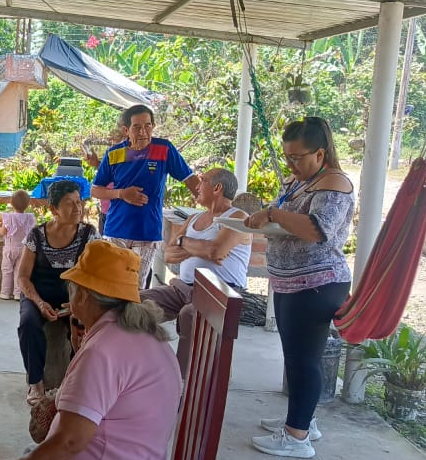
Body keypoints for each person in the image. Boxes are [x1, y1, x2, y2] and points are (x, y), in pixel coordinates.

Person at [0, 240, 181, 460]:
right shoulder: (143, 334)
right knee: (30, 456)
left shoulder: (103, 350)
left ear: (83, 296)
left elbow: (71, 442)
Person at [245, 117, 355, 459]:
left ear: (320, 153)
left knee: (305, 360)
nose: (291, 164)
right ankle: (303, 419)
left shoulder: (334, 183)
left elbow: (317, 229)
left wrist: (272, 214)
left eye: (297, 157)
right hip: (290, 282)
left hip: (317, 284)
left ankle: (297, 438)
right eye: (287, 157)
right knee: (293, 358)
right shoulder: (300, 181)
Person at [141, 167, 250, 374]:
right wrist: (200, 249)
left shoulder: (238, 217)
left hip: (218, 294)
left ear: (217, 188)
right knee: (134, 303)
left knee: (189, 315)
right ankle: (144, 367)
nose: (197, 187)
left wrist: (184, 242)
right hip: (181, 289)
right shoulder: (193, 219)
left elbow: (215, 251)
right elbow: (169, 254)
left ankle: (185, 379)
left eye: (203, 181)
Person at [91, 105, 201, 289]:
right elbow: (95, 190)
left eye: (148, 126)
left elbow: (189, 179)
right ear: (126, 130)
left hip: (147, 232)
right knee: (110, 287)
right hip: (116, 231)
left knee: (135, 290)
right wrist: (121, 194)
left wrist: (214, 207)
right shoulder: (114, 154)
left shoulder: (164, 149)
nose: (143, 132)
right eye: (136, 127)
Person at [15, 180, 99, 406]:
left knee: (86, 327)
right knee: (28, 324)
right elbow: (23, 277)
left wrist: (77, 304)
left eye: (79, 202)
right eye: (69, 203)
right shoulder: (37, 235)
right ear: (54, 209)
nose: (77, 208)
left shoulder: (89, 234)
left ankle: (75, 383)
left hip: (74, 297)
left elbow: (94, 275)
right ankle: (36, 382)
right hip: (38, 295)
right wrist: (40, 303)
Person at [0, 190, 37, 301]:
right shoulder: (29, 218)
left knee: (6, 270)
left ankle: (5, 292)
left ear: (11, 202)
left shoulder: (8, 217)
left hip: (9, 248)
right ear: (28, 204)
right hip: (24, 249)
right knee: (18, 271)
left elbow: (3, 232)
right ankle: (18, 293)